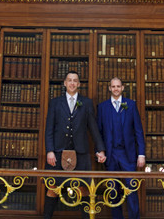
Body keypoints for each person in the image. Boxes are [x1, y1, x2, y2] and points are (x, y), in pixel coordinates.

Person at [43, 71, 106, 218]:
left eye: (75, 81)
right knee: (52, 188)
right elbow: (49, 129)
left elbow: (93, 128)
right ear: (65, 83)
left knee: (83, 188)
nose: (72, 83)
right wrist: (50, 151)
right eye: (69, 80)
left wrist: (100, 150)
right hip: (58, 153)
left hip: (81, 152)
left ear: (79, 84)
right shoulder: (55, 103)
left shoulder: (87, 102)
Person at [96, 77, 146, 219]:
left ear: (122, 88)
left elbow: (138, 131)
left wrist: (141, 154)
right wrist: (99, 151)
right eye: (113, 86)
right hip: (111, 155)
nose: (116, 89)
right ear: (110, 88)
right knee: (113, 191)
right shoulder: (102, 107)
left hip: (128, 155)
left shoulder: (130, 105)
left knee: (131, 190)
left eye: (118, 86)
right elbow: (98, 132)